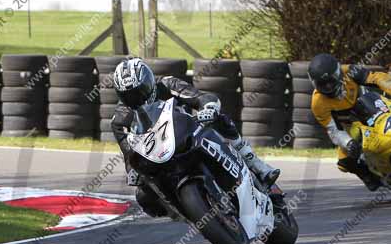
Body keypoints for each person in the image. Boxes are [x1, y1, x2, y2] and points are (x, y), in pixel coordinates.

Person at [111, 58, 280, 217]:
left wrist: (208, 107)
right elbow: (129, 154)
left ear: (149, 82)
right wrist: (133, 172)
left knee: (218, 118)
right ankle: (182, 212)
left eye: (140, 91)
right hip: (157, 154)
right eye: (129, 96)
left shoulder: (167, 84)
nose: (137, 98)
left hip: (185, 134)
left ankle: (255, 164)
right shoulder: (120, 120)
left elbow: (199, 97)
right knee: (143, 195)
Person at [308, 53, 391, 191]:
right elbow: (332, 129)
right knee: (344, 162)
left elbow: (376, 77)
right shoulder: (317, 103)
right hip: (352, 126)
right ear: (314, 83)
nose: (328, 87)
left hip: (376, 107)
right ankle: (368, 176)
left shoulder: (351, 71)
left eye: (330, 81)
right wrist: (348, 142)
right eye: (322, 84)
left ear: (338, 73)